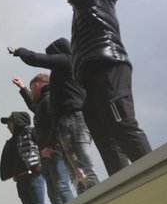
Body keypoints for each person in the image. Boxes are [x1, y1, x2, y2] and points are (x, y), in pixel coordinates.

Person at [5, 0, 152, 174]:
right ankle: (123, 186)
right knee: (104, 136)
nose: (69, 2)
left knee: (121, 125)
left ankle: (158, 171)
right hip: (89, 77)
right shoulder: (84, 11)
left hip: (108, 66)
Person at [11, 39, 100, 193]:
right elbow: (36, 107)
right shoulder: (64, 79)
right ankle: (88, 200)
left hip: (72, 119)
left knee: (81, 166)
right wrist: (23, 88)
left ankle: (98, 197)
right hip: (71, 121)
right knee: (77, 170)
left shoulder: (66, 61)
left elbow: (36, 58)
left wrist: (20, 51)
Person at [12, 71, 74, 204]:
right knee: (53, 194)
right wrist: (22, 88)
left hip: (55, 151)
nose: (32, 92)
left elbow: (57, 123)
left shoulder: (49, 100)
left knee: (62, 187)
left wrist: (51, 146)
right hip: (46, 154)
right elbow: (32, 105)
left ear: (37, 85)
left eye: (31, 87)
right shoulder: (42, 103)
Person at [0, 111, 47, 204]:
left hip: (34, 177)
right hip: (21, 182)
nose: (7, 126)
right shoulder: (10, 143)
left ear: (17, 121)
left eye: (10, 122)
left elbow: (44, 146)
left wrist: (40, 165)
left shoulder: (31, 132)